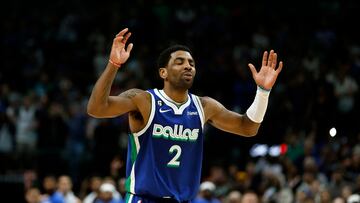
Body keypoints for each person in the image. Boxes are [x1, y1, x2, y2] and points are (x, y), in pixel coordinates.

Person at [87, 28, 283, 203]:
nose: (188, 66)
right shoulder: (143, 100)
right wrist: (113, 64)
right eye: (179, 62)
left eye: (191, 63)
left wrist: (263, 92)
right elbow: (96, 108)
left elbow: (248, 128)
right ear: (163, 72)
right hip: (144, 199)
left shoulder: (204, 106)